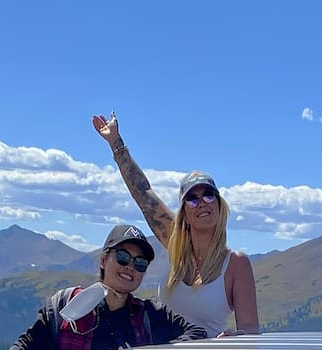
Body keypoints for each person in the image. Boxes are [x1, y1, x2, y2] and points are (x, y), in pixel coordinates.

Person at [92, 111, 259, 338]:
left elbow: (250, 330)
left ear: (220, 206)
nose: (202, 202)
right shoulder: (175, 244)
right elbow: (144, 195)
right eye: (192, 198)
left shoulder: (236, 264)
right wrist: (116, 144)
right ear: (184, 213)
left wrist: (235, 337)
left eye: (209, 195)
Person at [0, 224, 206, 350]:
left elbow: (196, 333)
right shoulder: (63, 306)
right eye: (123, 257)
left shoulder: (150, 314)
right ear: (104, 260)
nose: (130, 267)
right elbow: (29, 347)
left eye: (139, 264)